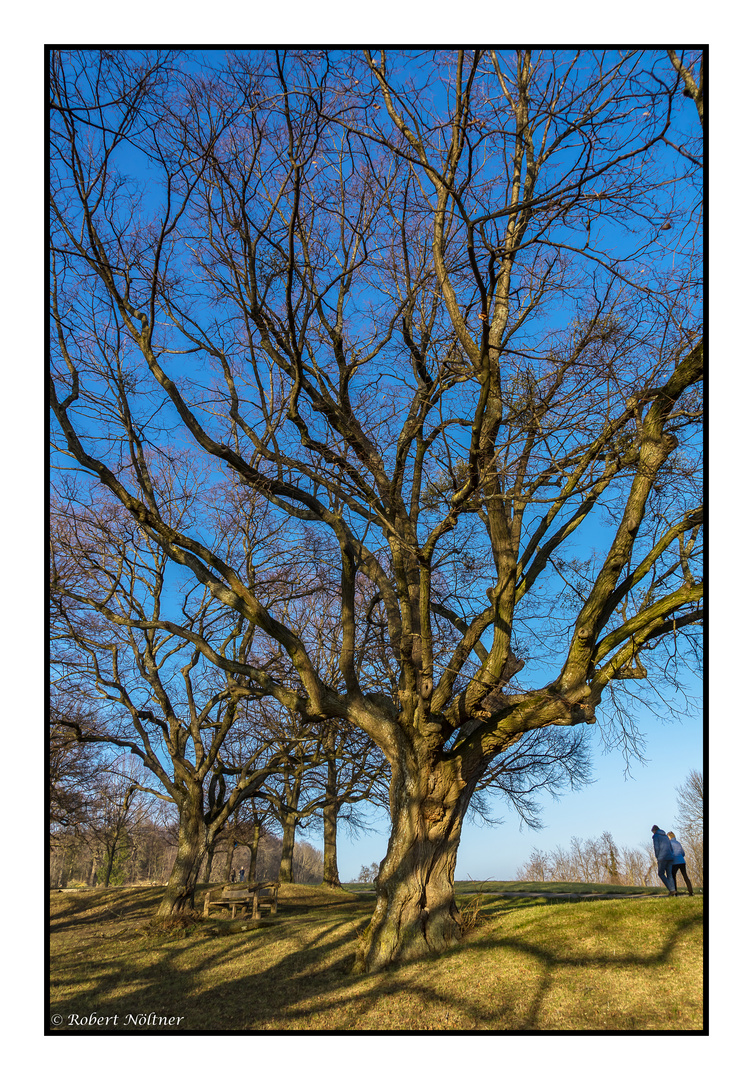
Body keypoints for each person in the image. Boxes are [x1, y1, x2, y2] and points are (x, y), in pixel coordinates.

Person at [651, 825, 677, 895]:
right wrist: (671, 854)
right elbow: (670, 847)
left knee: (661, 873)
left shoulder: (656, 836)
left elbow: (656, 848)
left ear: (654, 831)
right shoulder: (665, 836)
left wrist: (657, 857)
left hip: (662, 857)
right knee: (669, 874)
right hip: (670, 857)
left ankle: (671, 889)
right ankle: (673, 890)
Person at [667, 831, 694, 895]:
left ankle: (675, 892)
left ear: (670, 837)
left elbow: (669, 853)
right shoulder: (678, 843)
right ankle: (691, 891)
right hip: (682, 861)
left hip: (675, 862)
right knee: (685, 876)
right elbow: (683, 853)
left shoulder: (669, 843)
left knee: (673, 877)